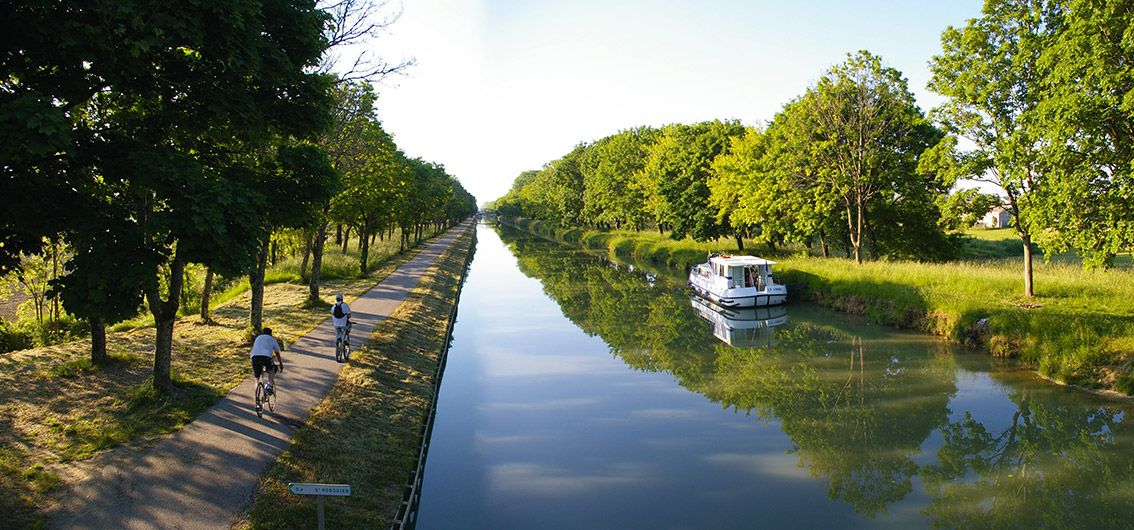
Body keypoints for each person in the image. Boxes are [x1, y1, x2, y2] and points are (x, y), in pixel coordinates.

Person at [250, 327, 284, 394]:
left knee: (257, 379)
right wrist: (280, 363)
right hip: (266, 357)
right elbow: (277, 352)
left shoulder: (258, 337)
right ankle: (269, 385)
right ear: (270, 334)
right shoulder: (272, 339)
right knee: (272, 368)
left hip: (254, 357)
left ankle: (257, 400)